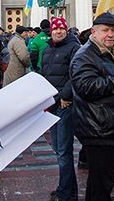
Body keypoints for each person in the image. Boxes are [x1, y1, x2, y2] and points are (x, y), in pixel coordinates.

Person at [70, 12, 114, 201]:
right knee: (101, 184)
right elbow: (86, 87)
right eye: (105, 30)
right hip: (97, 128)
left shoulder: (107, 53)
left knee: (100, 183)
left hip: (107, 126)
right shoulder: (85, 55)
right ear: (94, 32)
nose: (110, 34)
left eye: (113, 30)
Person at [40, 17, 81, 201]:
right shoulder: (48, 49)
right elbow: (44, 74)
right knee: (58, 149)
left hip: (65, 104)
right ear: (51, 31)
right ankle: (69, 189)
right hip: (51, 104)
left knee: (64, 151)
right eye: (55, 29)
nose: (58, 32)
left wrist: (66, 95)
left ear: (66, 30)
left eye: (61, 29)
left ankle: (65, 193)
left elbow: (77, 75)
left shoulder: (74, 48)